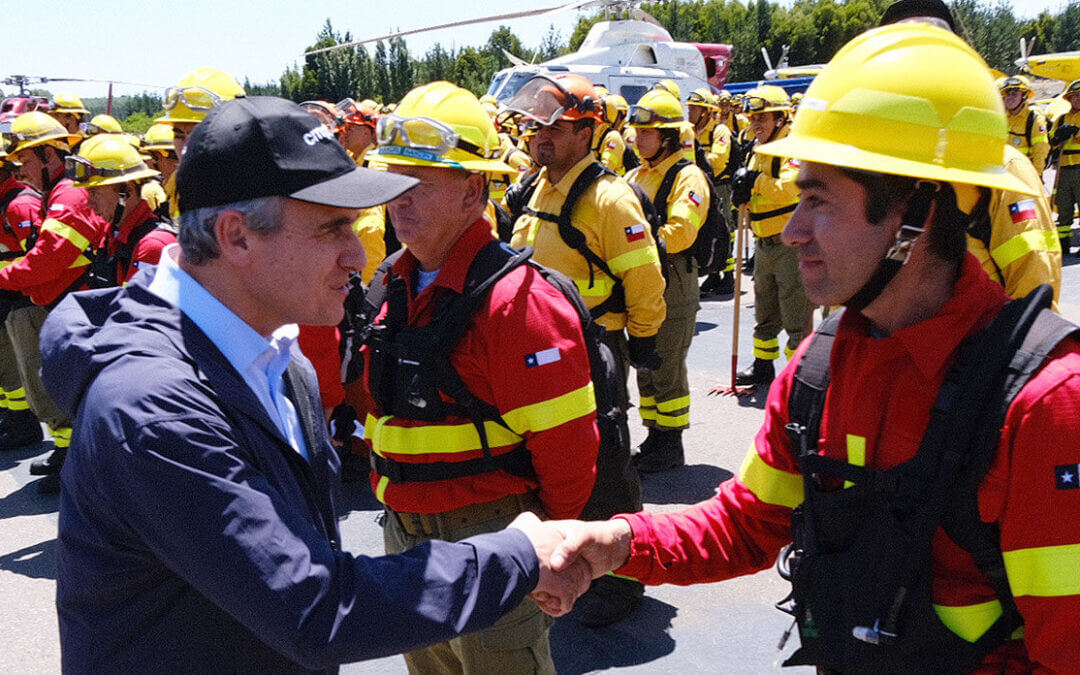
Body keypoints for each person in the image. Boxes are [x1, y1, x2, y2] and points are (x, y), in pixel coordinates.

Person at [543, 23, 1080, 672]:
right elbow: (745, 524)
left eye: (819, 200)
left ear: (917, 212)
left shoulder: (1046, 409)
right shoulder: (821, 368)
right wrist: (617, 540)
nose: (794, 230)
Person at [40, 95, 588, 672]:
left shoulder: (281, 363)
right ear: (237, 237)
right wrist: (521, 553)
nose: (357, 253)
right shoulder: (154, 409)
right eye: (332, 228)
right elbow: (315, 610)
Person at [361, 80, 601, 674]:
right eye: (393, 182)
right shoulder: (393, 282)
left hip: (489, 538)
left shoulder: (520, 304)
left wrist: (545, 548)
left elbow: (569, 458)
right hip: (405, 536)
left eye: (418, 183)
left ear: (474, 190)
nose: (399, 201)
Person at [505, 72, 666, 626]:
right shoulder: (538, 187)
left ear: (588, 131)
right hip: (541, 351)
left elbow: (645, 282)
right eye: (535, 126)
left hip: (593, 348)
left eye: (555, 126)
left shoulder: (609, 198)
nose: (539, 135)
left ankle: (619, 581)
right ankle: (564, 564)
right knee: (554, 463)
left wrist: (643, 340)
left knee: (606, 465)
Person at [1, 112, 107, 493]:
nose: (21, 172)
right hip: (64, 307)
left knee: (79, 394)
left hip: (76, 309)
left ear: (49, 155)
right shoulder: (56, 193)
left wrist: (4, 276)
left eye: (26, 160)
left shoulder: (68, 195)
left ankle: (86, 472)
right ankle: (74, 461)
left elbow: (47, 261)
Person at [624, 89, 711, 472]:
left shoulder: (687, 176)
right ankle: (654, 435)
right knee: (646, 366)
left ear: (670, 136)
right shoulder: (635, 173)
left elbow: (681, 232)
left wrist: (639, 242)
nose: (639, 139)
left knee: (667, 366)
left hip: (673, 281)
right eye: (638, 133)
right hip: (642, 282)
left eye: (648, 133)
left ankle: (671, 444)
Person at [731, 85, 810, 386]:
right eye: (752, 118)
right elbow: (756, 188)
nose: (755, 124)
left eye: (762, 118)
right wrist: (744, 193)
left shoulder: (792, 146)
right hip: (763, 243)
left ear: (780, 117)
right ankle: (763, 366)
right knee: (764, 311)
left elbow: (791, 187)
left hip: (789, 244)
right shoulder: (757, 147)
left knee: (795, 315)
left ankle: (799, 377)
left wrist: (756, 180)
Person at [68, 134, 177, 286]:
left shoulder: (153, 246)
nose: (89, 204)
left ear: (127, 191)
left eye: (95, 193)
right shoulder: (111, 236)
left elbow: (134, 308)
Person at [0, 136, 44, 451]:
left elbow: (37, 255)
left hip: (20, 298)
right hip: (6, 295)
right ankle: (13, 417)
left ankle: (24, 423)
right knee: (6, 364)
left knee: (22, 363)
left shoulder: (19, 205)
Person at [1050, 79, 1080, 255]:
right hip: (1064, 170)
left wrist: (1076, 132)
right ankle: (1064, 243)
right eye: (1074, 96)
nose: (1077, 99)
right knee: (1064, 208)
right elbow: (1051, 139)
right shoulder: (1062, 118)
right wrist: (1056, 136)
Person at [997, 76, 1049, 175]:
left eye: (1015, 94)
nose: (1010, 98)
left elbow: (1040, 150)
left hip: (1024, 175)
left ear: (1024, 96)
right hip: (1002, 174)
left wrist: (1037, 175)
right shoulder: (1002, 118)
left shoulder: (1035, 120)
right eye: (1007, 93)